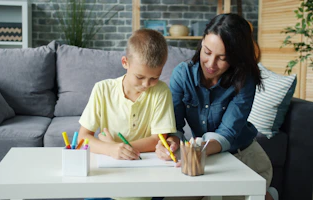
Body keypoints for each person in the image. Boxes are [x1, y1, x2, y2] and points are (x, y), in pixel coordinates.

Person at [155, 13, 278, 200]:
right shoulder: (183, 74)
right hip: (204, 156)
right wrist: (172, 142)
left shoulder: (244, 79)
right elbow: (174, 126)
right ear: (202, 43)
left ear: (236, 57)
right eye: (207, 52)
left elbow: (226, 133)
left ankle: (267, 196)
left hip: (243, 158)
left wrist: (194, 152)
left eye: (222, 57)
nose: (211, 64)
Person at [78, 28, 176, 161]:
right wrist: (110, 149)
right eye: (139, 77)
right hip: (110, 161)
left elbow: (158, 139)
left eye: (154, 78)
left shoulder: (161, 91)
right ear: (125, 62)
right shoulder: (102, 89)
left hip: (146, 162)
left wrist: (115, 146)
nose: (146, 84)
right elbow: (83, 138)